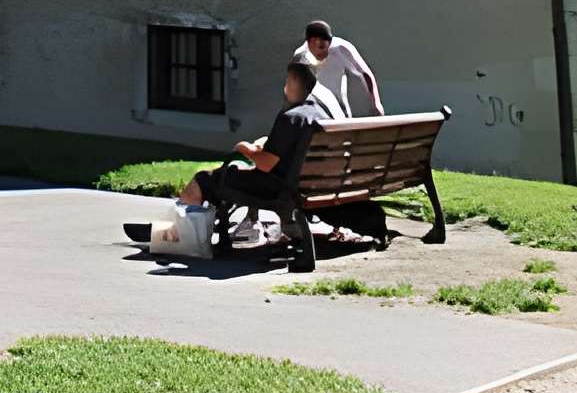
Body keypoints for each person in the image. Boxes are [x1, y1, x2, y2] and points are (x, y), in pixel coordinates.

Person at [123, 62, 330, 245]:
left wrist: (245, 149)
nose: (285, 87)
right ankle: (185, 225)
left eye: (287, 80)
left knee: (205, 180)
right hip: (302, 186)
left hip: (276, 189)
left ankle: (177, 233)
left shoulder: (291, 117)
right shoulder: (318, 114)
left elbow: (265, 164)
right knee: (228, 174)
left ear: (293, 82)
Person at [294, 20, 384, 117]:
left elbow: (366, 74)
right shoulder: (300, 56)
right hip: (314, 108)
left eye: (326, 47)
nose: (324, 53)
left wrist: (376, 103)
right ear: (311, 43)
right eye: (320, 48)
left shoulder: (341, 49)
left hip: (339, 107)